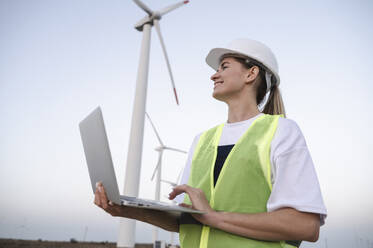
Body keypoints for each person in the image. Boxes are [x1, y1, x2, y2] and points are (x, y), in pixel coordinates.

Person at [94, 38, 327, 248]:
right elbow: (186, 220)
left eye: (224, 67)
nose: (214, 75)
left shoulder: (281, 131)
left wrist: (213, 216)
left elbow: (305, 225)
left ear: (251, 73)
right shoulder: (202, 140)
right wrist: (125, 209)